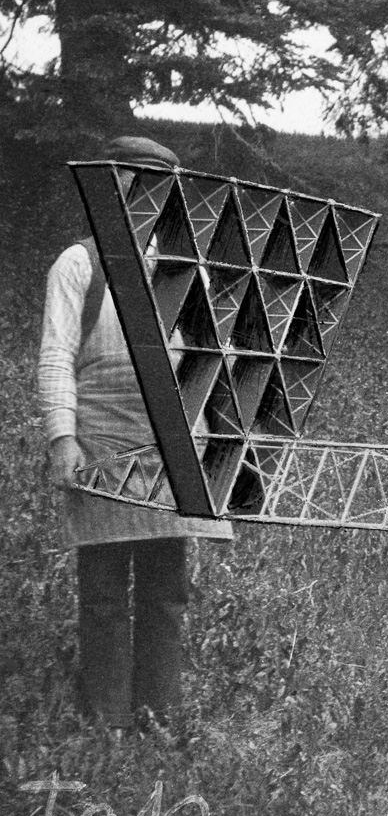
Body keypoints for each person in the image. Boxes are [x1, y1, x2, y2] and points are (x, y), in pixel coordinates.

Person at [38, 135, 233, 737]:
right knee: (102, 590)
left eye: (158, 184)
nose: (144, 194)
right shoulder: (79, 264)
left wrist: (221, 439)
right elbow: (55, 356)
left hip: (170, 445)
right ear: (110, 184)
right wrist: (62, 439)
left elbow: (210, 356)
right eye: (132, 179)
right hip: (100, 439)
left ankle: (159, 713)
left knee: (165, 587)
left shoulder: (181, 268)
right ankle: (106, 719)